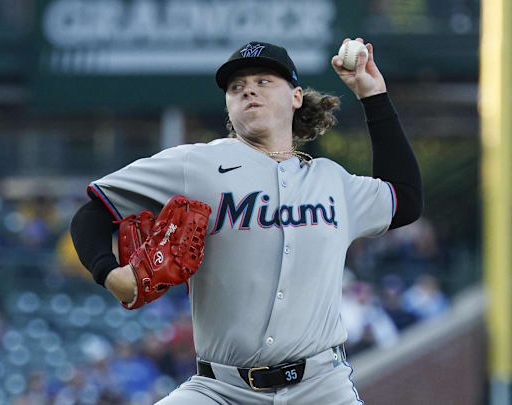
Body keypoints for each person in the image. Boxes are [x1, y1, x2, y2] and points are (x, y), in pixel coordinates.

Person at [70, 38, 423, 404]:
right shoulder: (196, 165)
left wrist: (373, 94)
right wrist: (110, 274)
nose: (248, 90)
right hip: (220, 389)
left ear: (296, 96)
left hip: (321, 388)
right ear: (228, 105)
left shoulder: (333, 182)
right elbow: (93, 213)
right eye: (237, 87)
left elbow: (406, 199)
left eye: (264, 81)